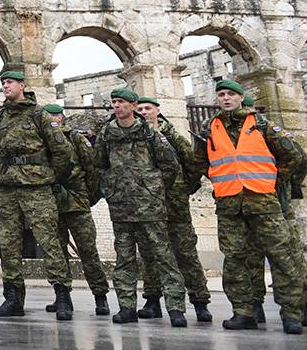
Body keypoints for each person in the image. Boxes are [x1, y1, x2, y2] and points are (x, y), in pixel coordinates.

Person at [193, 79, 305, 334]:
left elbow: (295, 156)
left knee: (282, 257)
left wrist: (273, 180)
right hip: (230, 205)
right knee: (235, 260)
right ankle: (243, 312)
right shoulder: (210, 127)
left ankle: (291, 314)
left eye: (231, 94)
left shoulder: (262, 125)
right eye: (221, 94)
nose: (226, 98)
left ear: (241, 97)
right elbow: (200, 162)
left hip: (264, 203)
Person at [93, 88, 187, 326]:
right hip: (121, 206)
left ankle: (175, 307)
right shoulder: (106, 133)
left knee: (162, 255)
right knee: (124, 258)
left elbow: (170, 165)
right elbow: (99, 166)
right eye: (114, 102)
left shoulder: (149, 133)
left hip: (150, 206)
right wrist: (111, 189)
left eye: (121, 102)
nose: (117, 106)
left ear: (133, 105)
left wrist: (152, 188)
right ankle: (126, 306)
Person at [0, 70, 75, 320]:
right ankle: (13, 297)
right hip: (8, 189)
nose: (5, 86)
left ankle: (62, 296)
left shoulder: (39, 115)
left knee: (49, 241)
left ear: (22, 86)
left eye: (10, 82)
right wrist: (1, 175)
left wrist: (48, 176)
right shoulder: (1, 117)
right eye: (3, 82)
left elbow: (61, 150)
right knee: (9, 244)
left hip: (36, 188)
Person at [135, 97, 212, 323]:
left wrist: (180, 190)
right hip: (147, 206)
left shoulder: (173, 137)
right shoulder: (137, 137)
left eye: (148, 108)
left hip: (174, 206)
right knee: (150, 255)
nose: (144, 112)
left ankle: (200, 301)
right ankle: (152, 300)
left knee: (185, 253)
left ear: (157, 111)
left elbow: (192, 167)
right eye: (140, 109)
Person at [46, 104, 111, 317]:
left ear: (62, 118)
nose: (52, 120)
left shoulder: (75, 138)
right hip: (52, 204)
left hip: (77, 203)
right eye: (48, 117)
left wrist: (88, 196)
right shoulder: (41, 141)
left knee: (88, 252)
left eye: (55, 116)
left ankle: (100, 297)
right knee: (57, 254)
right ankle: (62, 296)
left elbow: (91, 169)